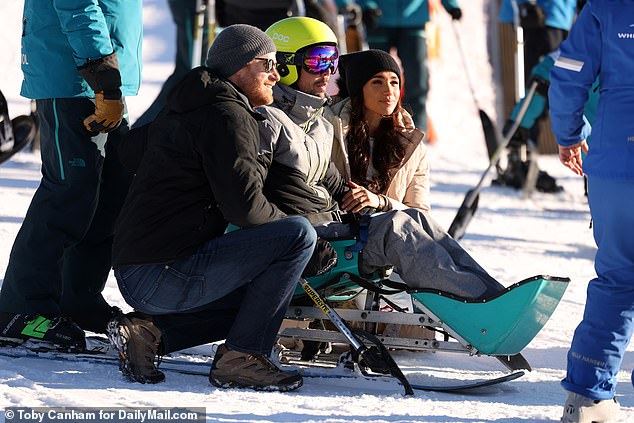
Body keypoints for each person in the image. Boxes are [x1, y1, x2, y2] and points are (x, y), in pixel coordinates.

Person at [107, 24, 316, 392]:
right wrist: (298, 230)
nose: (276, 74)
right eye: (267, 63)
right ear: (241, 68)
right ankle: (244, 358)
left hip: (137, 271)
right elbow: (246, 210)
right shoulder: (228, 115)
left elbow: (130, 151)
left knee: (269, 295)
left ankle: (149, 334)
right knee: (298, 237)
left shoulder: (190, 105)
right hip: (163, 274)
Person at [260, 17, 505, 300]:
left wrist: (379, 202)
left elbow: (418, 212)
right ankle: (477, 303)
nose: (389, 92)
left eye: (394, 82)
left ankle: (491, 295)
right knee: (398, 227)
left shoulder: (406, 141)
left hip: (371, 233)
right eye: (377, 82)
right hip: (342, 237)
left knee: (411, 220)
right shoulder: (324, 124)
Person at [0, 0, 142, 350]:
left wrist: (112, 78)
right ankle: (22, 309)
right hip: (74, 74)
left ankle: (77, 298)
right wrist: (102, 73)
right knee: (68, 191)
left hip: (103, 76)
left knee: (113, 191)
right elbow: (76, 4)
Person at [549, 1, 632, 422]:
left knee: (618, 279)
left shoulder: (605, 6)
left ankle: (586, 399)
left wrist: (568, 134)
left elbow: (568, 71)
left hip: (617, 164)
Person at [334, 0, 462, 132]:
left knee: (417, 78)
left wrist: (451, 5)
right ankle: (373, 127)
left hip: (414, 19)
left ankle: (415, 132)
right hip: (379, 18)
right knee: (374, 77)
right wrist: (366, 6)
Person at [133, 0, 198, 128]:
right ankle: (141, 133)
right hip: (199, 10)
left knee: (190, 76)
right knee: (190, 77)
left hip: (214, 11)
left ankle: (141, 132)